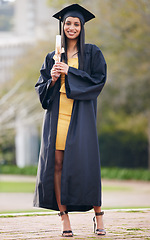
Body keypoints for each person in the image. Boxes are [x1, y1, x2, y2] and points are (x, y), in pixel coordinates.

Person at [33, 3, 107, 237]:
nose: (72, 27)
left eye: (76, 24)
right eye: (68, 23)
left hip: (81, 116)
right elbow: (42, 91)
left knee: (87, 166)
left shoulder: (92, 52)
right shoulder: (52, 56)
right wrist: (53, 79)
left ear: (82, 27)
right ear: (62, 26)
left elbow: (98, 81)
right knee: (56, 165)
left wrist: (70, 71)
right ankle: (64, 219)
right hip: (57, 116)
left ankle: (98, 216)